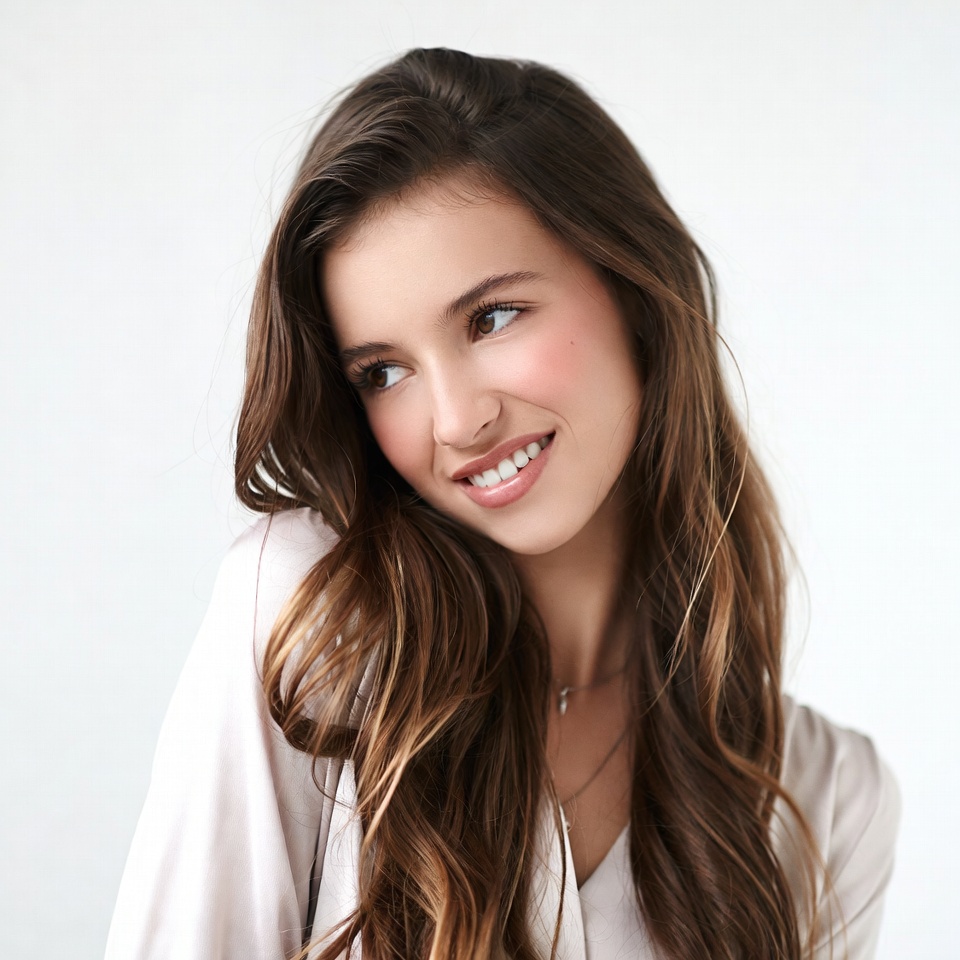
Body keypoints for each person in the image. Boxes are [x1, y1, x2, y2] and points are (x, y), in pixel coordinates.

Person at [105, 48, 900, 960]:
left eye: (491, 319)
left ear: (633, 287)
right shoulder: (310, 629)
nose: (456, 421)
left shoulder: (825, 799)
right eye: (384, 372)